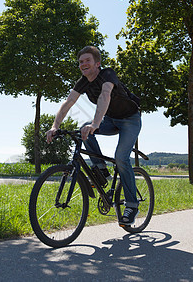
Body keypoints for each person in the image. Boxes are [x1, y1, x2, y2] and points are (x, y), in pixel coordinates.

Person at [46, 46, 142, 225]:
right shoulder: (83, 82)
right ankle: (102, 171)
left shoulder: (107, 74)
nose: (83, 64)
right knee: (84, 130)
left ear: (97, 63)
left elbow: (105, 96)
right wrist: (54, 126)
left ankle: (131, 205)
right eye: (81, 62)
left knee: (121, 158)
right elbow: (68, 102)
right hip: (111, 119)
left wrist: (96, 124)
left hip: (130, 119)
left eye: (87, 60)